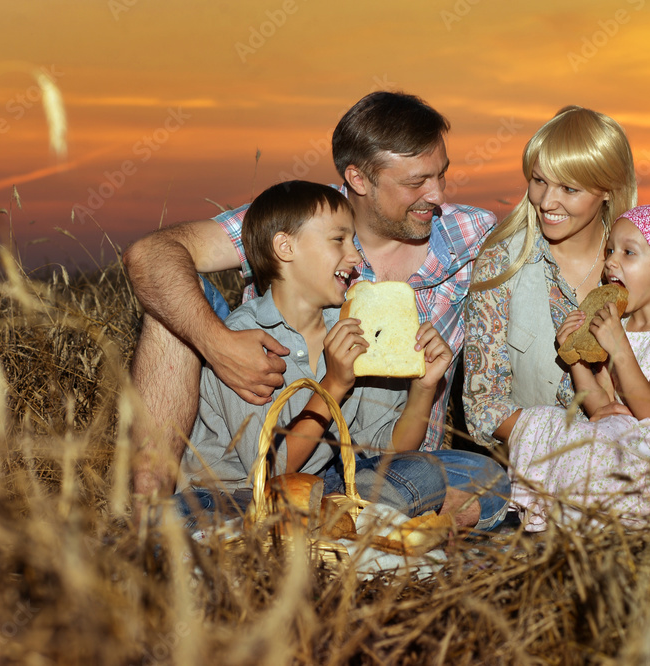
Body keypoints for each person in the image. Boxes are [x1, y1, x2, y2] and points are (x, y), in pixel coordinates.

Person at [123, 91, 503, 525]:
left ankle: (312, 520)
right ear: (359, 179)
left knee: (484, 479)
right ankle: (150, 513)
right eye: (416, 182)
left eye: (442, 175)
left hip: (380, 458)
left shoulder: (473, 233)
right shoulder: (304, 216)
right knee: (170, 304)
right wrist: (219, 344)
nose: (436, 195)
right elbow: (150, 254)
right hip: (263, 424)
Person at [178, 181, 507, 529]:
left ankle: (331, 521)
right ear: (285, 248)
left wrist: (425, 388)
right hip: (237, 493)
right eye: (339, 240)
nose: (355, 256)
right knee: (186, 516)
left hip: (327, 482)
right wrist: (334, 383)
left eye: (354, 241)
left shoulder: (356, 329)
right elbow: (270, 469)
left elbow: (390, 449)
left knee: (474, 475)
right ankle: (350, 523)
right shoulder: (244, 339)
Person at [462, 106, 650, 451]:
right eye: (539, 181)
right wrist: (581, 444)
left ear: (607, 190)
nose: (547, 201)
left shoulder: (642, 263)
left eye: (569, 188)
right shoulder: (501, 264)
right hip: (537, 465)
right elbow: (482, 409)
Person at [508, 205, 650, 529]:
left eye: (629, 252)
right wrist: (573, 353)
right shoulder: (620, 325)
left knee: (602, 448)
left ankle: (606, 515)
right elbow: (602, 406)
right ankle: (570, 512)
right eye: (610, 250)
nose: (611, 261)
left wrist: (619, 347)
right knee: (543, 421)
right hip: (627, 435)